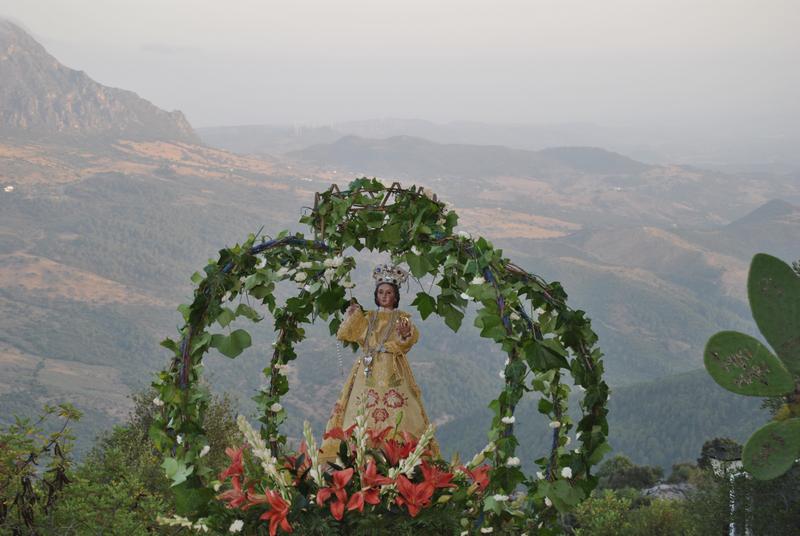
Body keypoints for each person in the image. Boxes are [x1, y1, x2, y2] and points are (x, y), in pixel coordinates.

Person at [319, 263, 440, 461]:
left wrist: (404, 335)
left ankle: (396, 453)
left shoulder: (402, 319)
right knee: (361, 409)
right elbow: (346, 333)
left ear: (395, 296)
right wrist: (352, 316)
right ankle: (358, 453)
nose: (384, 296)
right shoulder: (367, 317)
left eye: (389, 292)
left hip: (393, 370)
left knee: (398, 412)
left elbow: (407, 341)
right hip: (366, 370)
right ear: (376, 294)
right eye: (381, 292)